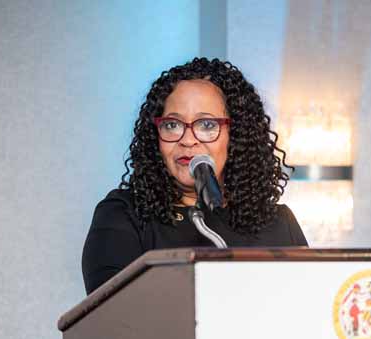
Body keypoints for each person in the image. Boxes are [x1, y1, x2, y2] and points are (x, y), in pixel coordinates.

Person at [82, 58, 308, 294]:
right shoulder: (124, 215)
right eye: (172, 125)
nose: (188, 140)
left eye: (207, 125)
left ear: (237, 135)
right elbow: (114, 316)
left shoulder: (280, 225)